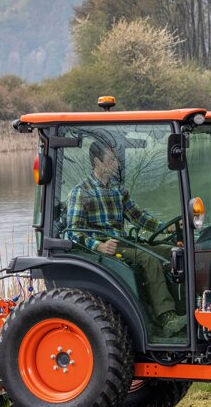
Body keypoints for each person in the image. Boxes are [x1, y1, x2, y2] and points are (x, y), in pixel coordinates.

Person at [63, 140, 186, 336]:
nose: (117, 165)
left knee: (173, 253)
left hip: (124, 244)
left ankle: (186, 310)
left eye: (116, 160)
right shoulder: (81, 192)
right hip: (105, 250)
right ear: (97, 162)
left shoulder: (117, 190)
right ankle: (167, 319)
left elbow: (140, 218)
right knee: (148, 259)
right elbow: (73, 232)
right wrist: (99, 246)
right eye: (111, 160)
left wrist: (166, 227)